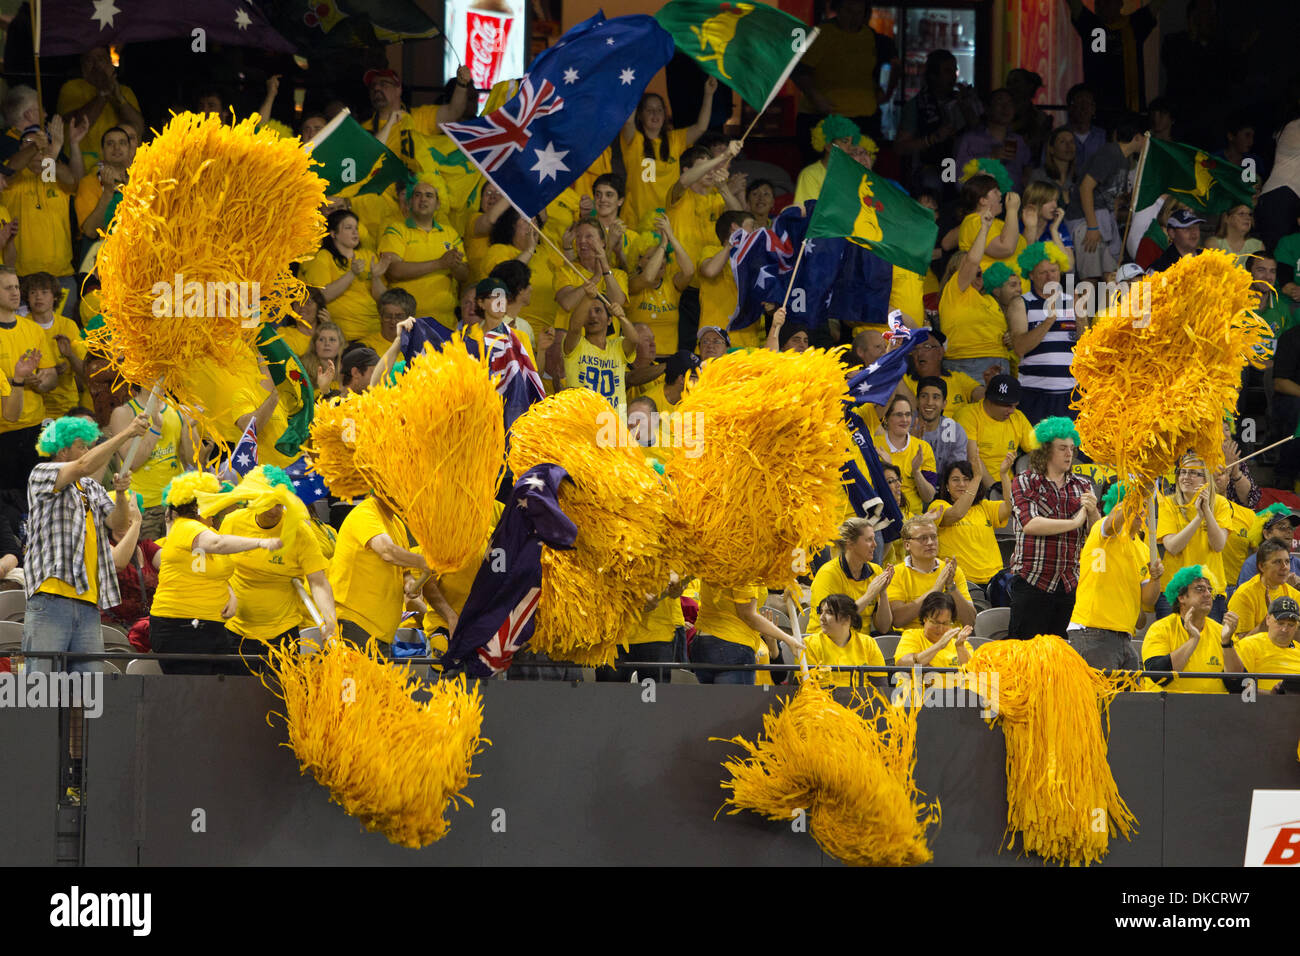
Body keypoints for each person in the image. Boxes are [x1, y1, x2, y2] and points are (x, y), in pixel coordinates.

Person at [21, 413, 148, 675]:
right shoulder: (41, 473)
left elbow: (117, 523)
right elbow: (84, 465)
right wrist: (127, 433)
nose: (87, 450)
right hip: (52, 595)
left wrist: (122, 493)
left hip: (89, 601)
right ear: (64, 449)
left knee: (87, 691)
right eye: (82, 445)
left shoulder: (91, 487)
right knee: (41, 685)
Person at [149, 472, 284, 675]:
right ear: (198, 504)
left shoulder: (206, 530)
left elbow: (214, 572)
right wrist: (261, 542)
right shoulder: (186, 527)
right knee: (195, 692)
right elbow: (217, 545)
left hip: (211, 628)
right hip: (181, 627)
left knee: (218, 692)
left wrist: (231, 595)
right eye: (213, 497)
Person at [207, 465, 337, 663]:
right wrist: (228, 592)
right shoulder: (233, 522)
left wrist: (330, 619)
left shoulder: (299, 532)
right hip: (235, 630)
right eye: (269, 502)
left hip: (283, 634)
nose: (274, 510)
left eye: (279, 504)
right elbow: (219, 568)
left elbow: (318, 581)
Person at [1006, 416, 1097, 640]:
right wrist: (1075, 523)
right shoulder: (1025, 481)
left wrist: (1094, 512)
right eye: (1062, 448)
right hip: (1032, 582)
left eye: (1072, 448)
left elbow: (1095, 533)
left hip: (1069, 583)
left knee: (1064, 658)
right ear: (1046, 450)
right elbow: (1030, 524)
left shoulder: (1083, 485)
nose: (1069, 454)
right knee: (1026, 655)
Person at [330, 494, 441, 657]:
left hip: (382, 631)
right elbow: (387, 552)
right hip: (355, 625)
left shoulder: (397, 523)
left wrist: (409, 584)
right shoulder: (365, 514)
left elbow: (405, 573)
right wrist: (426, 562)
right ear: (385, 488)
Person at [1067, 482, 1162, 667]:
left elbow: (1148, 599)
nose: (1141, 511)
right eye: (1136, 506)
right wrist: (1138, 493)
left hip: (1123, 635)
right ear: (1119, 508)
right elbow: (1111, 525)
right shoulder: (1103, 530)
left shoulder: (1143, 550)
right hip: (1094, 631)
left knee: (1129, 695)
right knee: (1103, 695)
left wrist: (1156, 578)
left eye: (1143, 506)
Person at [791, 0, 898, 148]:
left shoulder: (869, 36)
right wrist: (815, 96)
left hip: (864, 119)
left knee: (862, 168)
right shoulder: (821, 34)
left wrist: (881, 92)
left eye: (858, 13)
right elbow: (797, 70)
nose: (853, 18)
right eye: (848, 11)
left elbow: (871, 71)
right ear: (838, 10)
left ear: (865, 14)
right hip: (827, 118)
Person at [377, 174, 469, 331]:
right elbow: (394, 271)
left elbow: (465, 275)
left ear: (438, 204)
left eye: (429, 195)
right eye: (417, 195)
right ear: (410, 202)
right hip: (408, 323)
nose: (423, 200)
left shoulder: (450, 233)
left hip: (445, 322)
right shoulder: (396, 230)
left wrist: (455, 265)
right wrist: (440, 263)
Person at [619, 88, 714, 229]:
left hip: (670, 220)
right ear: (640, 114)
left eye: (659, 110)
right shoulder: (634, 140)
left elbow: (701, 127)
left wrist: (708, 94)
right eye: (649, 110)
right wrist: (635, 85)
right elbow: (628, 123)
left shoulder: (674, 139)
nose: (655, 114)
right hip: (637, 220)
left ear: (665, 114)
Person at [1065, 116, 1146, 281]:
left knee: (1111, 278)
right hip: (1086, 222)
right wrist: (1093, 227)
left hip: (1104, 223)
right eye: (1146, 137)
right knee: (1091, 279)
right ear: (1137, 137)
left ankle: (1107, 308)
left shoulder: (1124, 159)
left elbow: (1110, 195)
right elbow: (1086, 187)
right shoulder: (1110, 153)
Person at [108, 382, 191, 541]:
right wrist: (156, 427)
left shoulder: (177, 408)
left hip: (178, 503)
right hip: (144, 508)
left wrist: (189, 427)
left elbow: (190, 459)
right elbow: (133, 462)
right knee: (148, 562)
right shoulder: (123, 413)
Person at [0, 267, 57, 494]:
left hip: (34, 428)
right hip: (3, 432)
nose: (15, 293)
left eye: (16, 287)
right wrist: (19, 380)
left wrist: (41, 381)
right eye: (7, 288)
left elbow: (51, 377)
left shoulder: (33, 330)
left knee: (34, 497)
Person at [930, 456, 1016, 608]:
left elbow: (1009, 507)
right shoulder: (939, 506)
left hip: (994, 580)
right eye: (955, 480)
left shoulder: (984, 506)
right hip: (962, 582)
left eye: (966, 479)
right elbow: (957, 514)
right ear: (947, 486)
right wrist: (977, 477)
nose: (962, 484)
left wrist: (1003, 475)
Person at [895, 49, 982, 196]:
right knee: (933, 181)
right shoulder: (917, 105)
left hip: (964, 163)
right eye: (947, 71)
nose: (953, 77)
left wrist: (967, 105)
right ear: (933, 76)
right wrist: (933, 138)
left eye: (954, 71)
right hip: (931, 165)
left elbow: (980, 133)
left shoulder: (961, 101)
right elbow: (900, 148)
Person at [1156, 452, 1231, 618]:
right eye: (1183, 472)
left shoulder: (1220, 504)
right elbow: (1173, 547)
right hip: (1175, 590)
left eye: (1194, 473)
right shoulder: (1168, 503)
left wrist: (1206, 511)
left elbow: (1218, 545)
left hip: (1209, 589)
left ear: (1206, 479)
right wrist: (1198, 518)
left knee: (1208, 643)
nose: (1186, 477)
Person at [1010, 241, 1077, 424]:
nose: (1050, 277)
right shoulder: (1021, 303)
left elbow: (1087, 344)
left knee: (1070, 450)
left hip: (1071, 396)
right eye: (1043, 272)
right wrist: (1049, 320)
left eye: (1054, 271)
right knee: (1036, 451)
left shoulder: (1073, 301)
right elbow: (1019, 347)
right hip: (1034, 394)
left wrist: (1082, 316)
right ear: (1031, 275)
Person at [1141, 565, 1235, 693]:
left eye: (1209, 589)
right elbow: (1159, 677)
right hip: (1168, 708)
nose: (1207, 594)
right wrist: (1193, 639)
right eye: (1200, 589)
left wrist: (1227, 644)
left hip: (1213, 708)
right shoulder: (1160, 628)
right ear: (1181, 597)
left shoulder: (1221, 632)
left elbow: (1238, 685)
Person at [300, 209, 387, 348]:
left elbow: (383, 299)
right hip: (344, 335)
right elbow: (321, 297)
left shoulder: (368, 255)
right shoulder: (323, 257)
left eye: (356, 228)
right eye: (348, 228)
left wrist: (376, 277)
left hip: (375, 331)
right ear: (333, 234)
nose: (355, 232)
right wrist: (351, 274)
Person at [690, 580, 802, 685]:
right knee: (736, 705)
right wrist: (788, 639)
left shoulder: (715, 559)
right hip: (732, 645)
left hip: (702, 642)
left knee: (711, 705)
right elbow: (748, 615)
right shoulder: (746, 565)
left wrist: (787, 580)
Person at [1064, 0, 1164, 115]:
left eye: (1108, 1)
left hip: (1130, 111)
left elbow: (1157, 4)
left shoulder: (1134, 25)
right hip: (1097, 110)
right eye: (1099, 2)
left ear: (1120, 3)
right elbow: (1074, 4)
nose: (1103, 5)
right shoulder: (1090, 25)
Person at [938, 242, 1018, 383]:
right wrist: (985, 227)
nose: (976, 273)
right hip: (967, 364)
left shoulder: (991, 299)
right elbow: (972, 261)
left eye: (979, 272)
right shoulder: (953, 292)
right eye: (969, 269)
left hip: (1001, 365)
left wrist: (1011, 337)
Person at [55, 46, 144, 167]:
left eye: (100, 59)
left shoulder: (125, 91)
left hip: (118, 167)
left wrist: (119, 98)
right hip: (80, 168)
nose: (96, 65)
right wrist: (103, 94)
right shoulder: (71, 88)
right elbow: (77, 124)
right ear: (83, 67)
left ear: (110, 63)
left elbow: (138, 128)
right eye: (90, 60)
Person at [808, 516, 894, 639]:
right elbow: (833, 622)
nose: (875, 545)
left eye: (874, 539)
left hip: (859, 644)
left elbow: (884, 627)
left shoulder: (875, 571)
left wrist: (883, 592)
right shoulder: (828, 574)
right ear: (850, 544)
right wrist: (870, 594)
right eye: (869, 540)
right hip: (826, 642)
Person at [954, 374, 1039, 494]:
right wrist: (994, 489)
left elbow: (1038, 450)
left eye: (1015, 405)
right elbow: (972, 458)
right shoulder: (968, 415)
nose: (1012, 411)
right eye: (1007, 405)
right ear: (990, 400)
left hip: (1007, 487)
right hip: (973, 487)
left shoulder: (1017, 417)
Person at [887, 515, 976, 629]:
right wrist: (934, 592)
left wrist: (951, 587)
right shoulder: (896, 573)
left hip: (951, 639)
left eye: (933, 537)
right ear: (907, 545)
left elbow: (970, 622)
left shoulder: (952, 571)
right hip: (914, 641)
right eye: (923, 538)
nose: (930, 542)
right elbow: (898, 620)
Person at [627, 214, 694, 357]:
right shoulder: (632, 283)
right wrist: (663, 245)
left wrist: (670, 237)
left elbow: (689, 271)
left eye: (663, 256)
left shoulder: (671, 284)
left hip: (669, 359)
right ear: (638, 261)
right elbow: (647, 277)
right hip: (638, 362)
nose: (661, 261)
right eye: (652, 257)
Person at [563, 285, 638, 411]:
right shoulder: (576, 345)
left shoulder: (617, 346)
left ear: (609, 320)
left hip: (613, 423)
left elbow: (634, 339)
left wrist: (621, 317)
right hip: (582, 422)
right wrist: (588, 297)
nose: (592, 316)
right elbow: (575, 327)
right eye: (588, 312)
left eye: (598, 311)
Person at [21, 271, 85, 417]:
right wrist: (49, 371)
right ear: (27, 298)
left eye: (44, 292)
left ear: (55, 296)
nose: (38, 297)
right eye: (33, 292)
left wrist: (70, 356)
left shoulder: (69, 326)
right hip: (34, 411)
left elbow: (85, 373)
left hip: (67, 407)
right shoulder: (22, 327)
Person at [804, 592, 887, 688]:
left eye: (829, 612)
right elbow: (806, 687)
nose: (822, 618)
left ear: (847, 619)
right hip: (821, 701)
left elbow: (881, 686)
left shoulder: (868, 643)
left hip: (863, 700)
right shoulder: (809, 644)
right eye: (821, 612)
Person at [955, 89, 1032, 192]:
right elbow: (959, 180)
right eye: (999, 102)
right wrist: (990, 157)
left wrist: (1027, 173)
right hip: (983, 203)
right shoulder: (970, 139)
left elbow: (1029, 164)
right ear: (987, 109)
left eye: (1010, 103)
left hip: (1015, 201)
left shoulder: (1018, 140)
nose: (1005, 107)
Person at [1223, 595, 1300, 694]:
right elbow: (1237, 685)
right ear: (1268, 619)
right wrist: (1271, 695)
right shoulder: (1249, 645)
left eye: (1291, 625)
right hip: (1261, 705)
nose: (1285, 629)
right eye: (1280, 623)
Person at [1227, 538, 1300, 640]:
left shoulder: (1294, 595)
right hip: (1256, 654)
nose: (1284, 567)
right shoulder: (1244, 595)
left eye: (1287, 562)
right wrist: (1266, 623)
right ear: (1261, 566)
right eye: (1277, 562)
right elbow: (1241, 645)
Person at [793, 115, 875, 207]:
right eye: (844, 141)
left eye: (851, 143)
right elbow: (809, 214)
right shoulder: (810, 175)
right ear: (828, 145)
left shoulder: (851, 173)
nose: (850, 148)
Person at [873, 395, 935, 515]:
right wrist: (888, 468)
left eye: (908, 414)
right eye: (899, 415)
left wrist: (916, 472)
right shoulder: (874, 445)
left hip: (914, 516)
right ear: (886, 418)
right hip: (884, 515)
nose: (905, 420)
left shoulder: (923, 447)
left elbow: (928, 497)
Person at [954, 171, 1024, 276]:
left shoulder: (998, 222)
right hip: (990, 287)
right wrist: (1012, 210)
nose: (1000, 194)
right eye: (995, 191)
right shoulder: (974, 222)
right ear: (983, 200)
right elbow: (1006, 248)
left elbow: (1022, 251)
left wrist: (1031, 226)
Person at [74, 125, 132, 240]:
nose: (117, 148)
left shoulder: (141, 180)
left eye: (122, 143)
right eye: (110, 143)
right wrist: (108, 193)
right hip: (105, 255)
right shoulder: (88, 183)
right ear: (102, 151)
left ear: (130, 149)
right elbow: (90, 232)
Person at [911, 377, 978, 476]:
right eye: (924, 396)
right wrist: (910, 444)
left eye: (936, 397)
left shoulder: (955, 431)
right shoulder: (905, 424)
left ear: (944, 404)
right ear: (917, 400)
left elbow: (956, 472)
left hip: (944, 488)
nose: (929, 402)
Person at [902, 336, 985, 412]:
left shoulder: (958, 379)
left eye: (926, 347)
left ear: (940, 352)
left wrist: (989, 387)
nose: (919, 353)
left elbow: (980, 395)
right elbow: (909, 409)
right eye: (915, 349)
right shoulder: (904, 382)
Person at [895, 591, 974, 667]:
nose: (940, 628)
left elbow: (972, 673)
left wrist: (960, 647)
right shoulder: (912, 636)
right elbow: (902, 664)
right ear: (925, 618)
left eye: (945, 623)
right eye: (935, 622)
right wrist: (939, 645)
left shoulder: (961, 643)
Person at [1233, 505, 1300, 588]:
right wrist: (1285, 587)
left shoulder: (1297, 563)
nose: (1289, 531)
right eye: (1282, 527)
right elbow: (1246, 598)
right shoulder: (1252, 564)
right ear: (1266, 534)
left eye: (1291, 528)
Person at [1019, 181, 1075, 271]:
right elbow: (1022, 263)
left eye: (1055, 200)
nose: (1055, 206)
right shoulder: (1018, 226)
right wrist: (1031, 228)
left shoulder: (1058, 226)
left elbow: (1068, 265)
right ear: (1034, 203)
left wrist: (1053, 230)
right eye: (1049, 201)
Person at [1028, 127, 1081, 202]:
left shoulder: (1080, 178)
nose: (1069, 146)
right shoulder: (1039, 177)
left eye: (1072, 142)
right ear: (1051, 149)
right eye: (1062, 142)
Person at [641, 350, 699, 415]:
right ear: (682, 379)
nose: (701, 379)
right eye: (696, 376)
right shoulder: (647, 406)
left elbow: (700, 425)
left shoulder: (697, 401)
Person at [302, 320, 343, 400]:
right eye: (321, 339)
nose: (327, 343)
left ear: (340, 345)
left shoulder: (347, 370)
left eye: (332, 339)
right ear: (314, 344)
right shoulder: (303, 368)